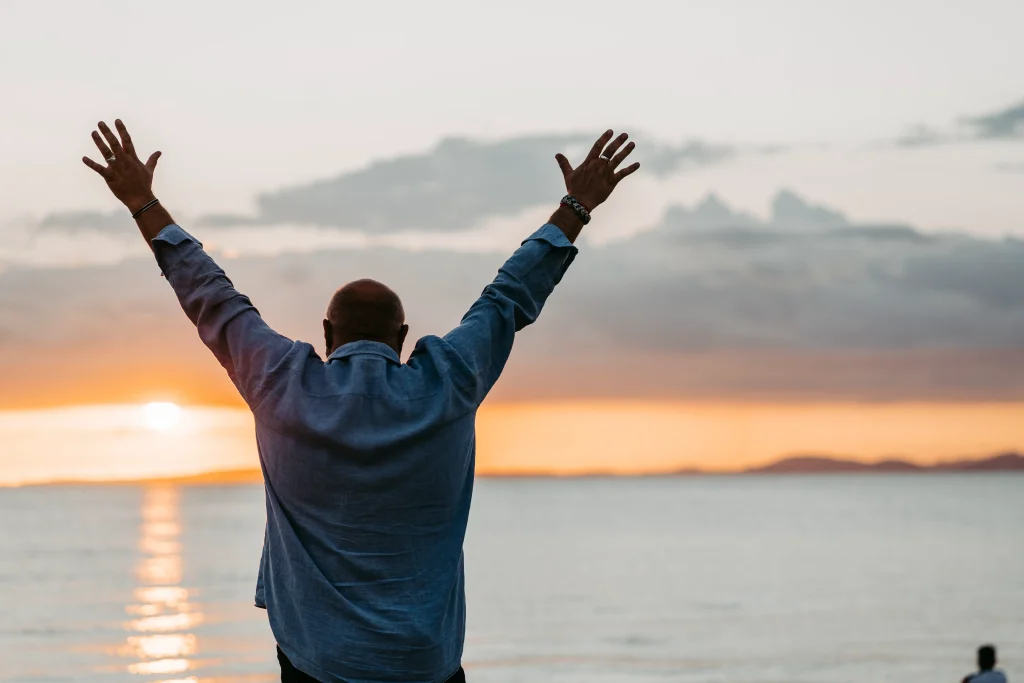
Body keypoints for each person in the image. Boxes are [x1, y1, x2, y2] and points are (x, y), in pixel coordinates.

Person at [82, 120, 639, 683]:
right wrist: (576, 206)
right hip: (425, 665)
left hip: (320, 663)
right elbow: (508, 298)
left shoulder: (281, 383)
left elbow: (213, 299)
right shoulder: (448, 382)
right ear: (401, 339)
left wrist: (142, 202)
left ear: (327, 334)